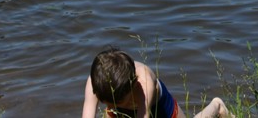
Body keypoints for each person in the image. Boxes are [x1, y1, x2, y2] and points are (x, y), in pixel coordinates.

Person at [81, 48, 228, 118]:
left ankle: (217, 105)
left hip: (159, 107)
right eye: (106, 103)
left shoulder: (144, 84)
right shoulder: (97, 82)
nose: (110, 107)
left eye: (116, 103)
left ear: (132, 87)